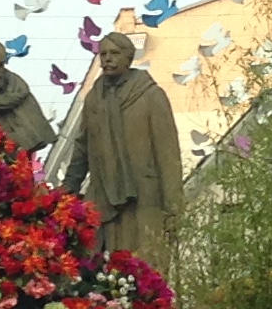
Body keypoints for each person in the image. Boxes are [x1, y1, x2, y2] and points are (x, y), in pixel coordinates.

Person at [61, 33, 182, 279]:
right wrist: (66, 192)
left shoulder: (150, 96)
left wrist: (174, 207)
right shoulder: (94, 99)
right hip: (102, 197)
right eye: (103, 54)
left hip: (144, 199)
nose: (107, 59)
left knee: (146, 273)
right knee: (100, 274)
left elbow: (168, 155)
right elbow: (82, 148)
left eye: (114, 54)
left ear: (129, 57)